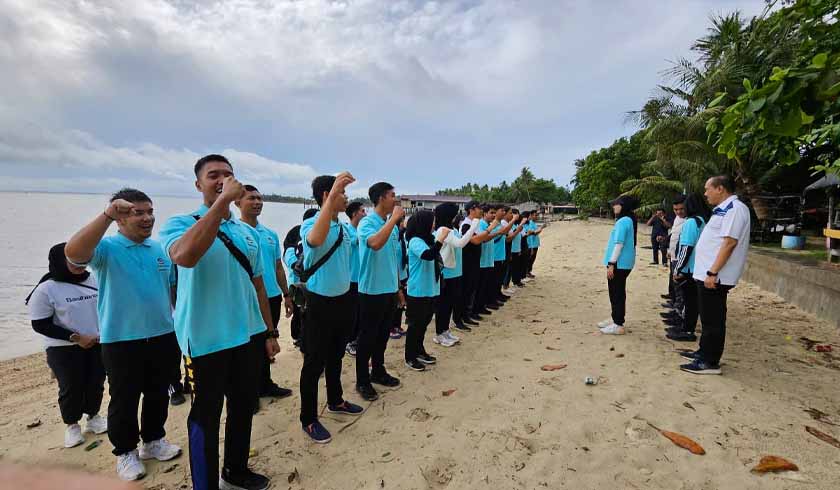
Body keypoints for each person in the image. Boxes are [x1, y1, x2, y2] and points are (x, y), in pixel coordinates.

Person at [159, 155, 280, 490]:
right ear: (199, 185)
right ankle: (205, 484)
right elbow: (185, 256)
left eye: (228, 175)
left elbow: (257, 285)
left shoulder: (246, 232)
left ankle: (236, 471)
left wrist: (269, 332)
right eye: (214, 176)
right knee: (205, 416)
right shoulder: (179, 224)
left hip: (248, 336)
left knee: (243, 407)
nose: (222, 180)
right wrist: (223, 202)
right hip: (204, 340)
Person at [64, 189, 182, 482]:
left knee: (158, 393)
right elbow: (74, 253)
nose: (147, 218)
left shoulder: (159, 249)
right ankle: (125, 452)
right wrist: (106, 215)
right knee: (124, 398)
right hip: (121, 339)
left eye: (149, 211)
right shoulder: (107, 249)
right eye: (137, 212)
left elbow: (172, 292)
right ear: (120, 218)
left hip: (163, 334)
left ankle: (153, 441)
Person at [298, 173, 365, 443]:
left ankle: (336, 400)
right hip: (319, 303)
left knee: (336, 355)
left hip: (343, 299)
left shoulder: (345, 228)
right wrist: (333, 188)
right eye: (341, 193)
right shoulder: (312, 225)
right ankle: (309, 419)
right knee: (314, 364)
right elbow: (314, 241)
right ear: (327, 196)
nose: (346, 198)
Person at [26, 243, 106, 450]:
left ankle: (93, 416)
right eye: (73, 260)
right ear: (61, 262)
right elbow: (40, 324)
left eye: (82, 258)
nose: (80, 264)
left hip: (98, 342)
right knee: (71, 386)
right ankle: (72, 425)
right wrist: (76, 338)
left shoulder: (94, 279)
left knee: (96, 381)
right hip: (63, 347)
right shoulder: (46, 289)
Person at [680, 176, 750, 375]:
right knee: (708, 317)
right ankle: (703, 352)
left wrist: (713, 272)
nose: (705, 193)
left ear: (720, 189)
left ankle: (709, 362)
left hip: (715, 276)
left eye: (707, 189)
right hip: (707, 275)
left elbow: (729, 243)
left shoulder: (735, 210)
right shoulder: (724, 209)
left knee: (713, 319)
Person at [235, 185, 294, 408]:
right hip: (246, 298)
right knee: (248, 346)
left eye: (260, 198)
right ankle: (248, 393)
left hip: (270, 296)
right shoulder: (234, 232)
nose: (257, 202)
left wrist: (286, 294)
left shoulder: (270, 234)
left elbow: (278, 267)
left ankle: (265, 384)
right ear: (237, 202)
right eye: (251, 198)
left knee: (267, 341)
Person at [354, 182, 404, 401]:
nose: (396, 199)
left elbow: (393, 259)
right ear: (382, 198)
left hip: (389, 290)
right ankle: (362, 381)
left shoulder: (389, 225)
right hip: (371, 291)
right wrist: (393, 220)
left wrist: (398, 288)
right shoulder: (367, 223)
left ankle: (378, 371)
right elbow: (374, 244)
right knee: (367, 338)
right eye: (393, 195)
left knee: (383, 335)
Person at [404, 210, 448, 371]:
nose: (434, 224)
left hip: (431, 288)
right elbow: (428, 255)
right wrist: (441, 240)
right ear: (423, 223)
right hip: (418, 290)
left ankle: (419, 351)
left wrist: (438, 240)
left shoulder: (428, 239)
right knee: (415, 325)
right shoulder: (415, 241)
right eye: (432, 221)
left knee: (424, 324)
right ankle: (410, 357)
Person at [433, 203, 478, 344]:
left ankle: (445, 331)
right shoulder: (443, 229)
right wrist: (474, 225)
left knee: (450, 304)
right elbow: (460, 243)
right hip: (446, 273)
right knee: (443, 305)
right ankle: (439, 334)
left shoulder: (452, 228)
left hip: (456, 271)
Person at [666, 194, 709, 342]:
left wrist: (678, 269)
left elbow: (686, 248)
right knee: (693, 301)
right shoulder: (702, 221)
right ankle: (687, 327)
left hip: (689, 268)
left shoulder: (691, 222)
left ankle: (687, 330)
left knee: (690, 301)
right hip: (697, 266)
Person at [597, 196, 638, 335]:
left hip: (619, 263)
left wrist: (611, 264)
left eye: (616, 204)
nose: (614, 206)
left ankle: (618, 324)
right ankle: (615, 318)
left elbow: (619, 244)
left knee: (616, 292)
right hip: (624, 263)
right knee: (617, 291)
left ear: (623, 205)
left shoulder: (623, 221)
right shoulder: (629, 220)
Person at [344, 201, 367, 356]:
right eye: (362, 211)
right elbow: (355, 241)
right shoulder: (347, 230)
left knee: (361, 312)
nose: (365, 214)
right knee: (352, 312)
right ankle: (350, 341)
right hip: (351, 279)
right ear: (354, 214)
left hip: (363, 278)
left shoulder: (360, 230)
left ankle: (357, 339)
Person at [661, 197, 687, 327]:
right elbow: (674, 235)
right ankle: (675, 308)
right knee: (675, 284)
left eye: (681, 209)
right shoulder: (677, 219)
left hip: (682, 258)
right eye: (676, 209)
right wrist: (670, 250)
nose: (679, 212)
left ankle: (679, 313)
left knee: (681, 287)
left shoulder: (689, 221)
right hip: (674, 256)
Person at [459, 201, 485, 325]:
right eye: (480, 208)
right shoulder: (466, 224)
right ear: (472, 209)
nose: (481, 211)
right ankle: (462, 317)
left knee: (472, 289)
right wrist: (491, 229)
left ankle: (468, 314)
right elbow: (474, 240)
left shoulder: (476, 223)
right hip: (467, 263)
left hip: (475, 261)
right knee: (466, 290)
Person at [474, 205, 501, 314]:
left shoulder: (488, 225)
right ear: (484, 213)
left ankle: (482, 306)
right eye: (491, 213)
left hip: (489, 260)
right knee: (479, 288)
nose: (493, 215)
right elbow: (483, 239)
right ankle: (476, 309)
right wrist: (496, 232)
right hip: (482, 262)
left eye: (495, 213)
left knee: (485, 286)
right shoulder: (481, 224)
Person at [283, 225, 304, 348]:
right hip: (295, 285)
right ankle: (297, 337)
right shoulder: (292, 247)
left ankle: (300, 336)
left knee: (303, 312)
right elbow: (291, 260)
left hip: (305, 285)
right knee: (297, 312)